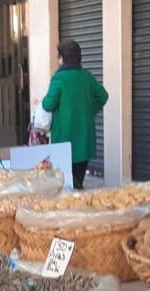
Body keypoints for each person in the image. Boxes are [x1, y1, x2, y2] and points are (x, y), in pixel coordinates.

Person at [41, 40, 108, 189]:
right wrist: (90, 110)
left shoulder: (59, 78)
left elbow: (47, 104)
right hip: (84, 140)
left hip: (63, 141)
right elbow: (103, 96)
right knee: (78, 182)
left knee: (64, 186)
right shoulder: (88, 77)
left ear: (61, 58)